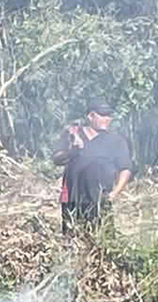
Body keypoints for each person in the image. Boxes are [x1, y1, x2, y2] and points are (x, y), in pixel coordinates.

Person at [54, 100, 132, 237]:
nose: (107, 119)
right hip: (73, 199)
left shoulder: (116, 141)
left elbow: (125, 169)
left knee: (103, 240)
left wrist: (114, 194)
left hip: (100, 200)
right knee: (72, 239)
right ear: (90, 116)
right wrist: (73, 149)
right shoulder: (73, 134)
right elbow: (57, 159)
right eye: (102, 115)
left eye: (109, 115)